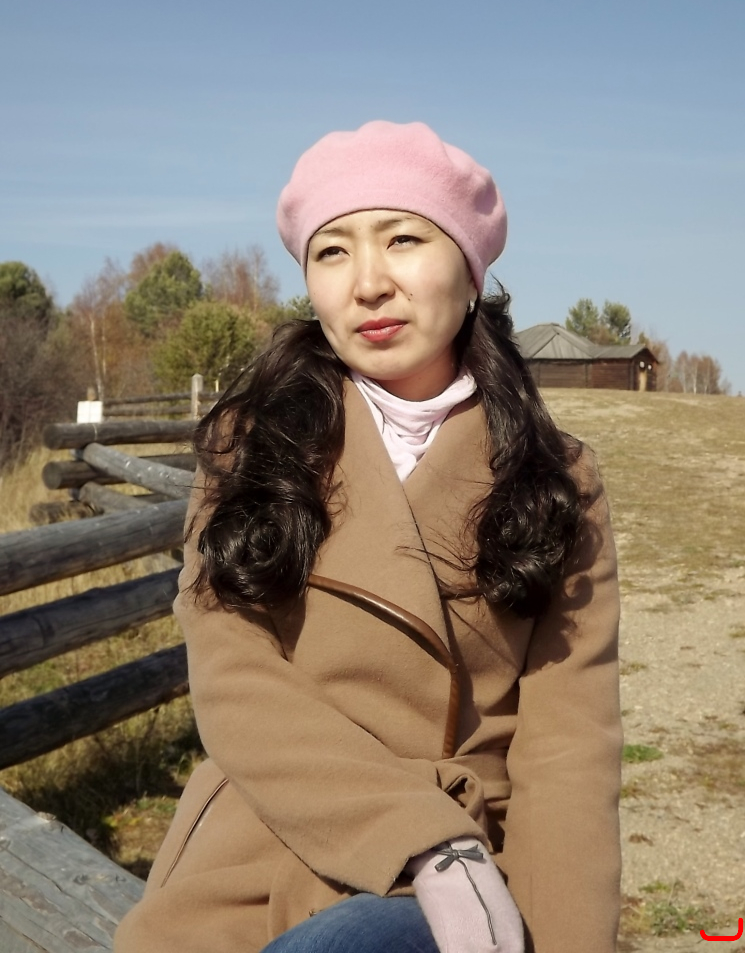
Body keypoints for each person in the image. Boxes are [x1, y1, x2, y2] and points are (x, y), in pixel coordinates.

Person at [115, 121, 622, 953]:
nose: (368, 283)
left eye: (403, 239)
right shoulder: (253, 448)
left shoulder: (556, 479)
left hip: (472, 871)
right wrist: (419, 838)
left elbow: (568, 749)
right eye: (332, 252)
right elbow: (234, 681)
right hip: (267, 841)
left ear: (469, 271)